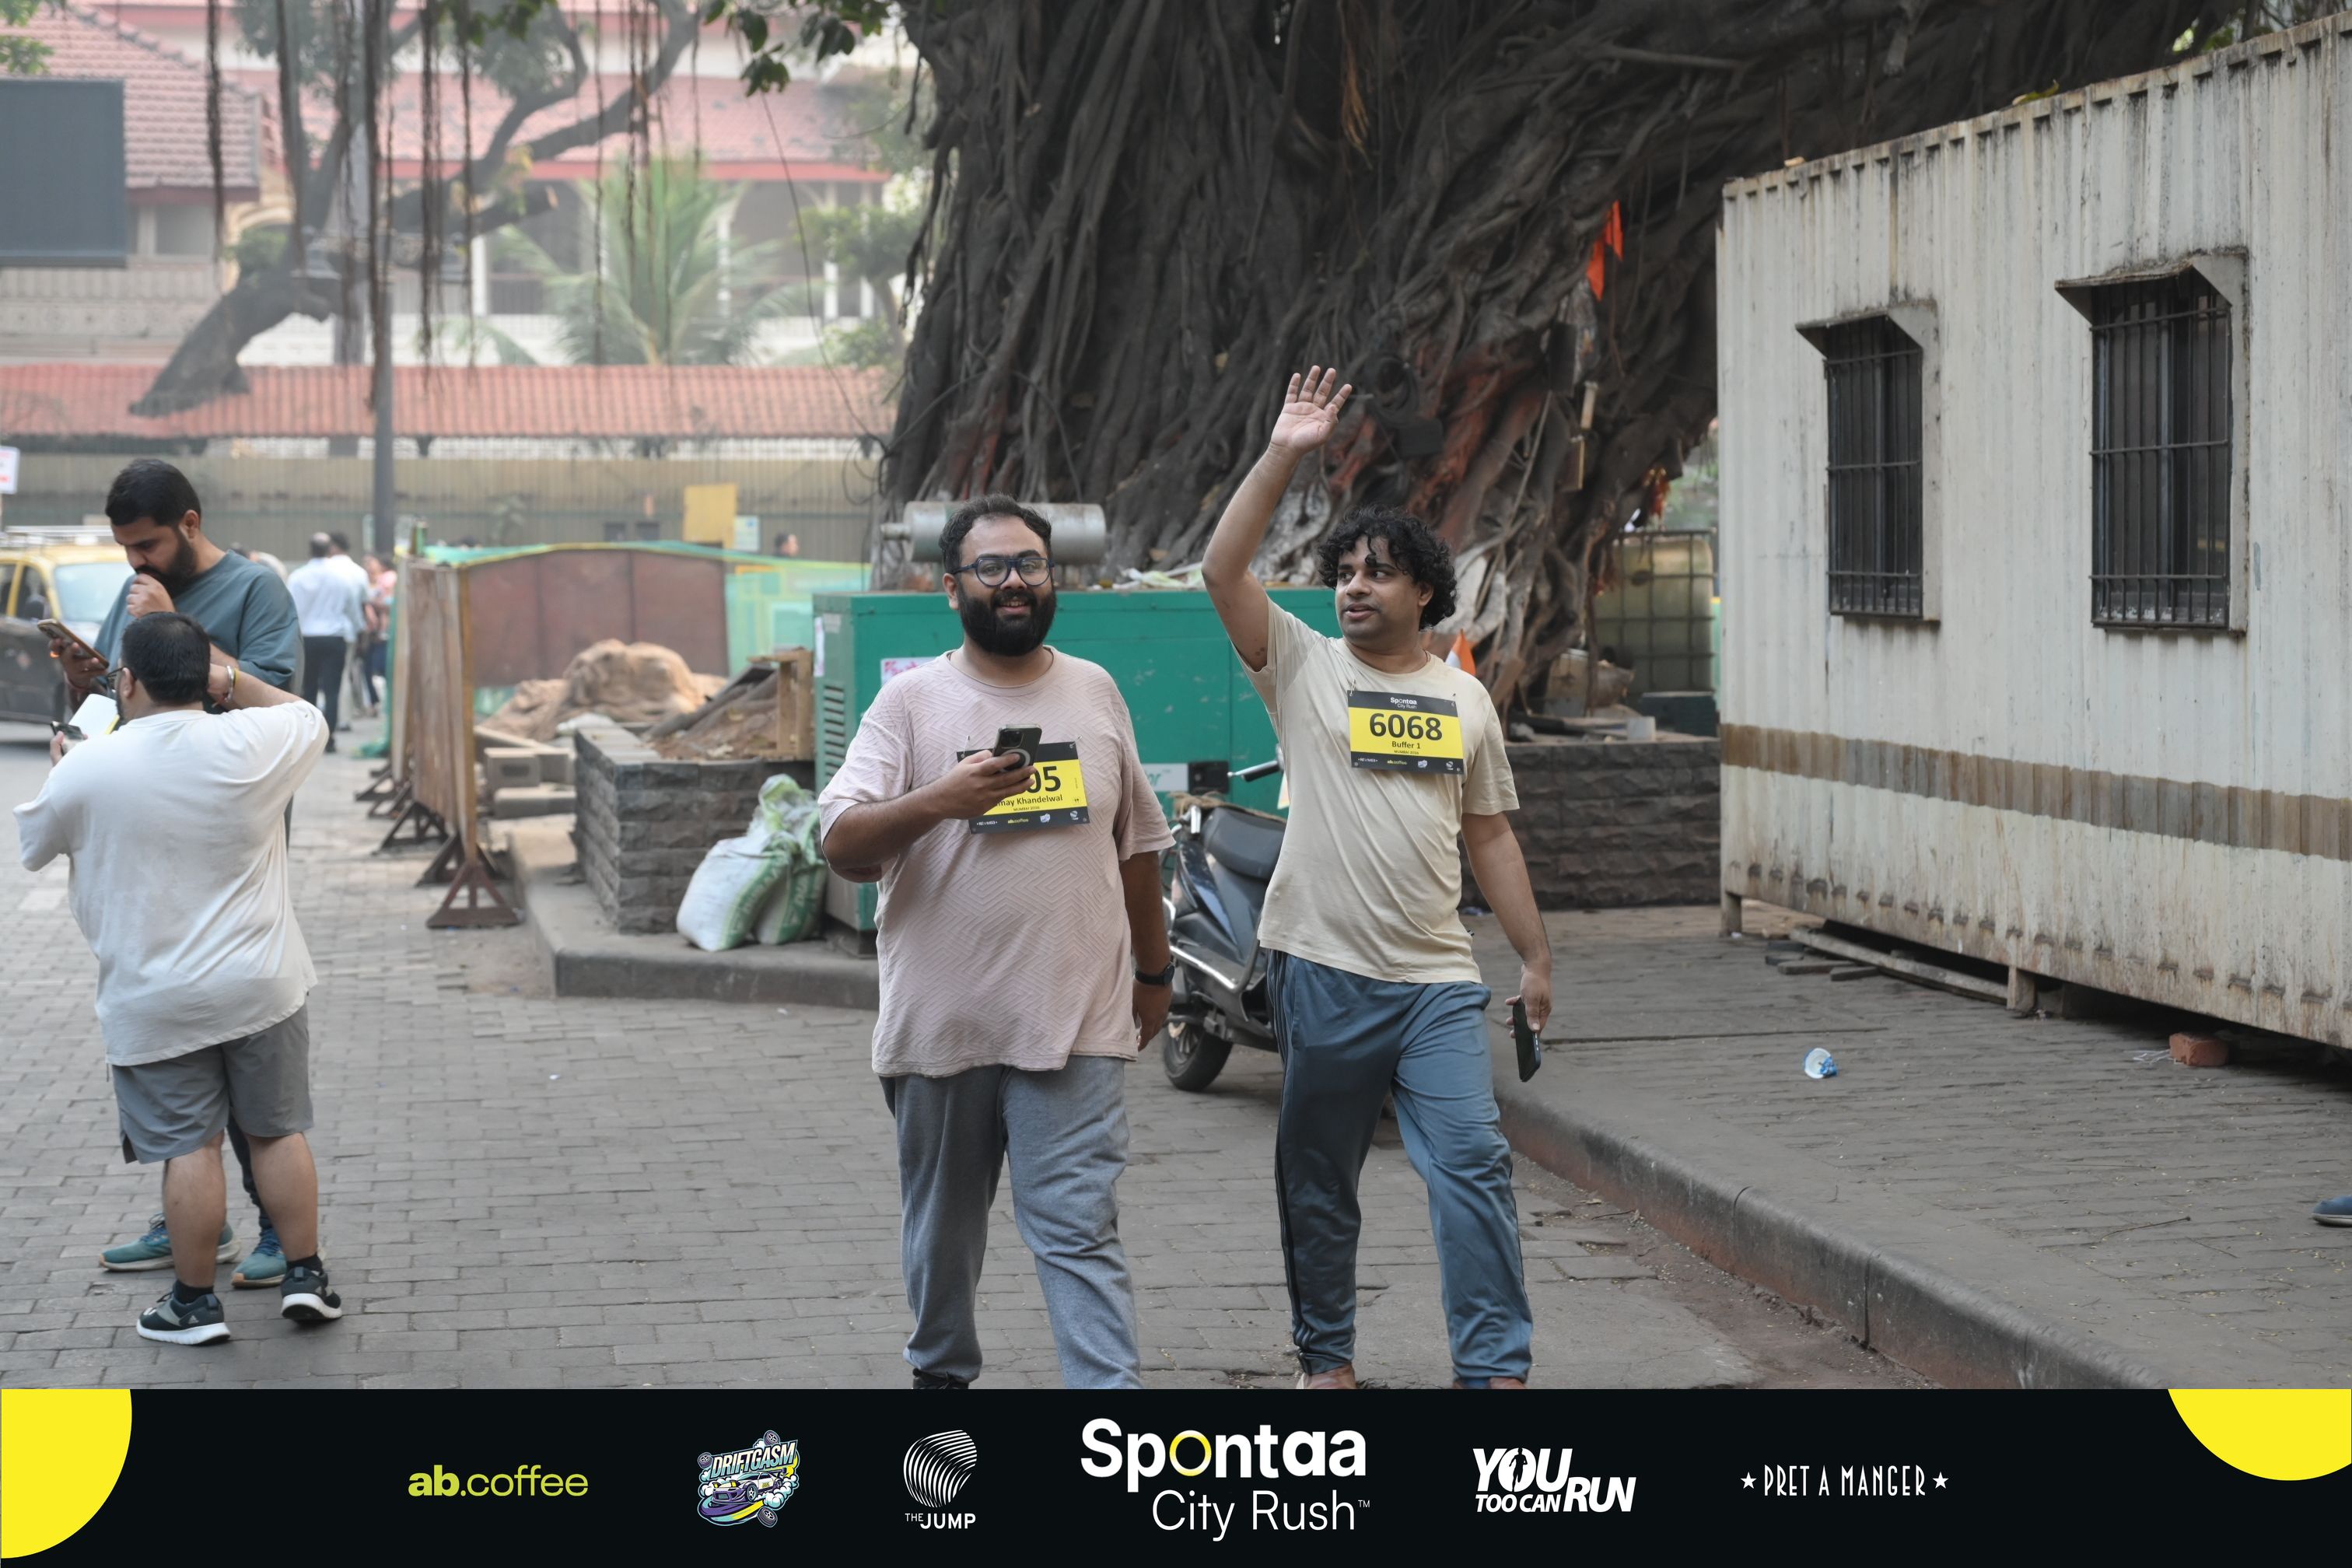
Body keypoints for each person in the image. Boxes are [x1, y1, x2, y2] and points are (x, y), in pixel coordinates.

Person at [1202, 368, 1553, 1390]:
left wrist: (1534, 958)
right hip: (1322, 968)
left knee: (1473, 1164)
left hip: (1437, 980)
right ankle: (1328, 1363)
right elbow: (1223, 572)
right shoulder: (1304, 665)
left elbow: (1490, 837)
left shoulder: (1466, 701)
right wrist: (1283, 453)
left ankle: (1495, 1370)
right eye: (1346, 572)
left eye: (1380, 573)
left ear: (1425, 595)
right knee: (1319, 1177)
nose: (1356, 586)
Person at [817, 495, 1173, 1390]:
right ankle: (941, 1378)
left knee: (1080, 1227)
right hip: (945, 1029)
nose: (1014, 582)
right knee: (943, 1234)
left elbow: (1138, 846)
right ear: (951, 588)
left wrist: (1156, 970)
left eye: (1030, 564)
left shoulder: (1094, 690)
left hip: (1076, 1017)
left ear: (1053, 577)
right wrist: (940, 800)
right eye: (991, 568)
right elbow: (842, 843)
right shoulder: (910, 703)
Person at [16, 611, 346, 1344]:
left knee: (191, 1147)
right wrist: (229, 679)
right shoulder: (257, 741)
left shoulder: (90, 767)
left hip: (154, 997)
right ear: (205, 678)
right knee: (275, 1133)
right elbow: (307, 714)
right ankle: (307, 1278)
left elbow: (35, 845)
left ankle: (193, 1307)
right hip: (262, 982)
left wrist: (61, 763)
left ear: (127, 681)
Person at [51, 460, 303, 1290]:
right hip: (144, 854)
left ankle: (280, 1232)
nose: (136, 562)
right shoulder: (136, 590)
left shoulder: (256, 591)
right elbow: (121, 699)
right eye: (125, 548)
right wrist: (86, 694)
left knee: (248, 1055)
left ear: (190, 524)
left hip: (232, 854)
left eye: (149, 544)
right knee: (172, 1048)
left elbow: (278, 706)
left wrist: (171, 626)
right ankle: (192, 1222)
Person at [286, 534, 362, 751]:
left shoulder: (298, 577)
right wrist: (359, 630)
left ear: (309, 550)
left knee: (308, 688)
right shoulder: (341, 577)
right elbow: (352, 608)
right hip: (334, 638)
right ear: (330, 550)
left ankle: (311, 737)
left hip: (307, 639)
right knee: (332, 690)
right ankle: (329, 738)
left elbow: (290, 609)